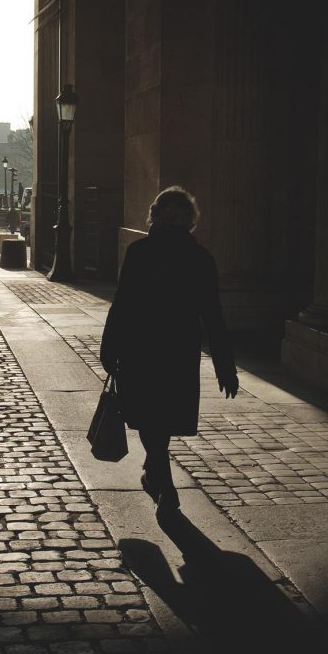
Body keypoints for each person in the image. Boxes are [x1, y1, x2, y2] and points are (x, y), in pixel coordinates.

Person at [99, 185, 238, 517]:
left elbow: (123, 306)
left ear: (154, 216)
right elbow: (213, 317)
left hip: (141, 349)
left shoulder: (139, 252)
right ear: (190, 220)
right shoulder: (201, 259)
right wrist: (225, 366)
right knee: (164, 415)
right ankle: (157, 473)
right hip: (179, 351)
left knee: (149, 417)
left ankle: (166, 485)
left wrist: (109, 347)